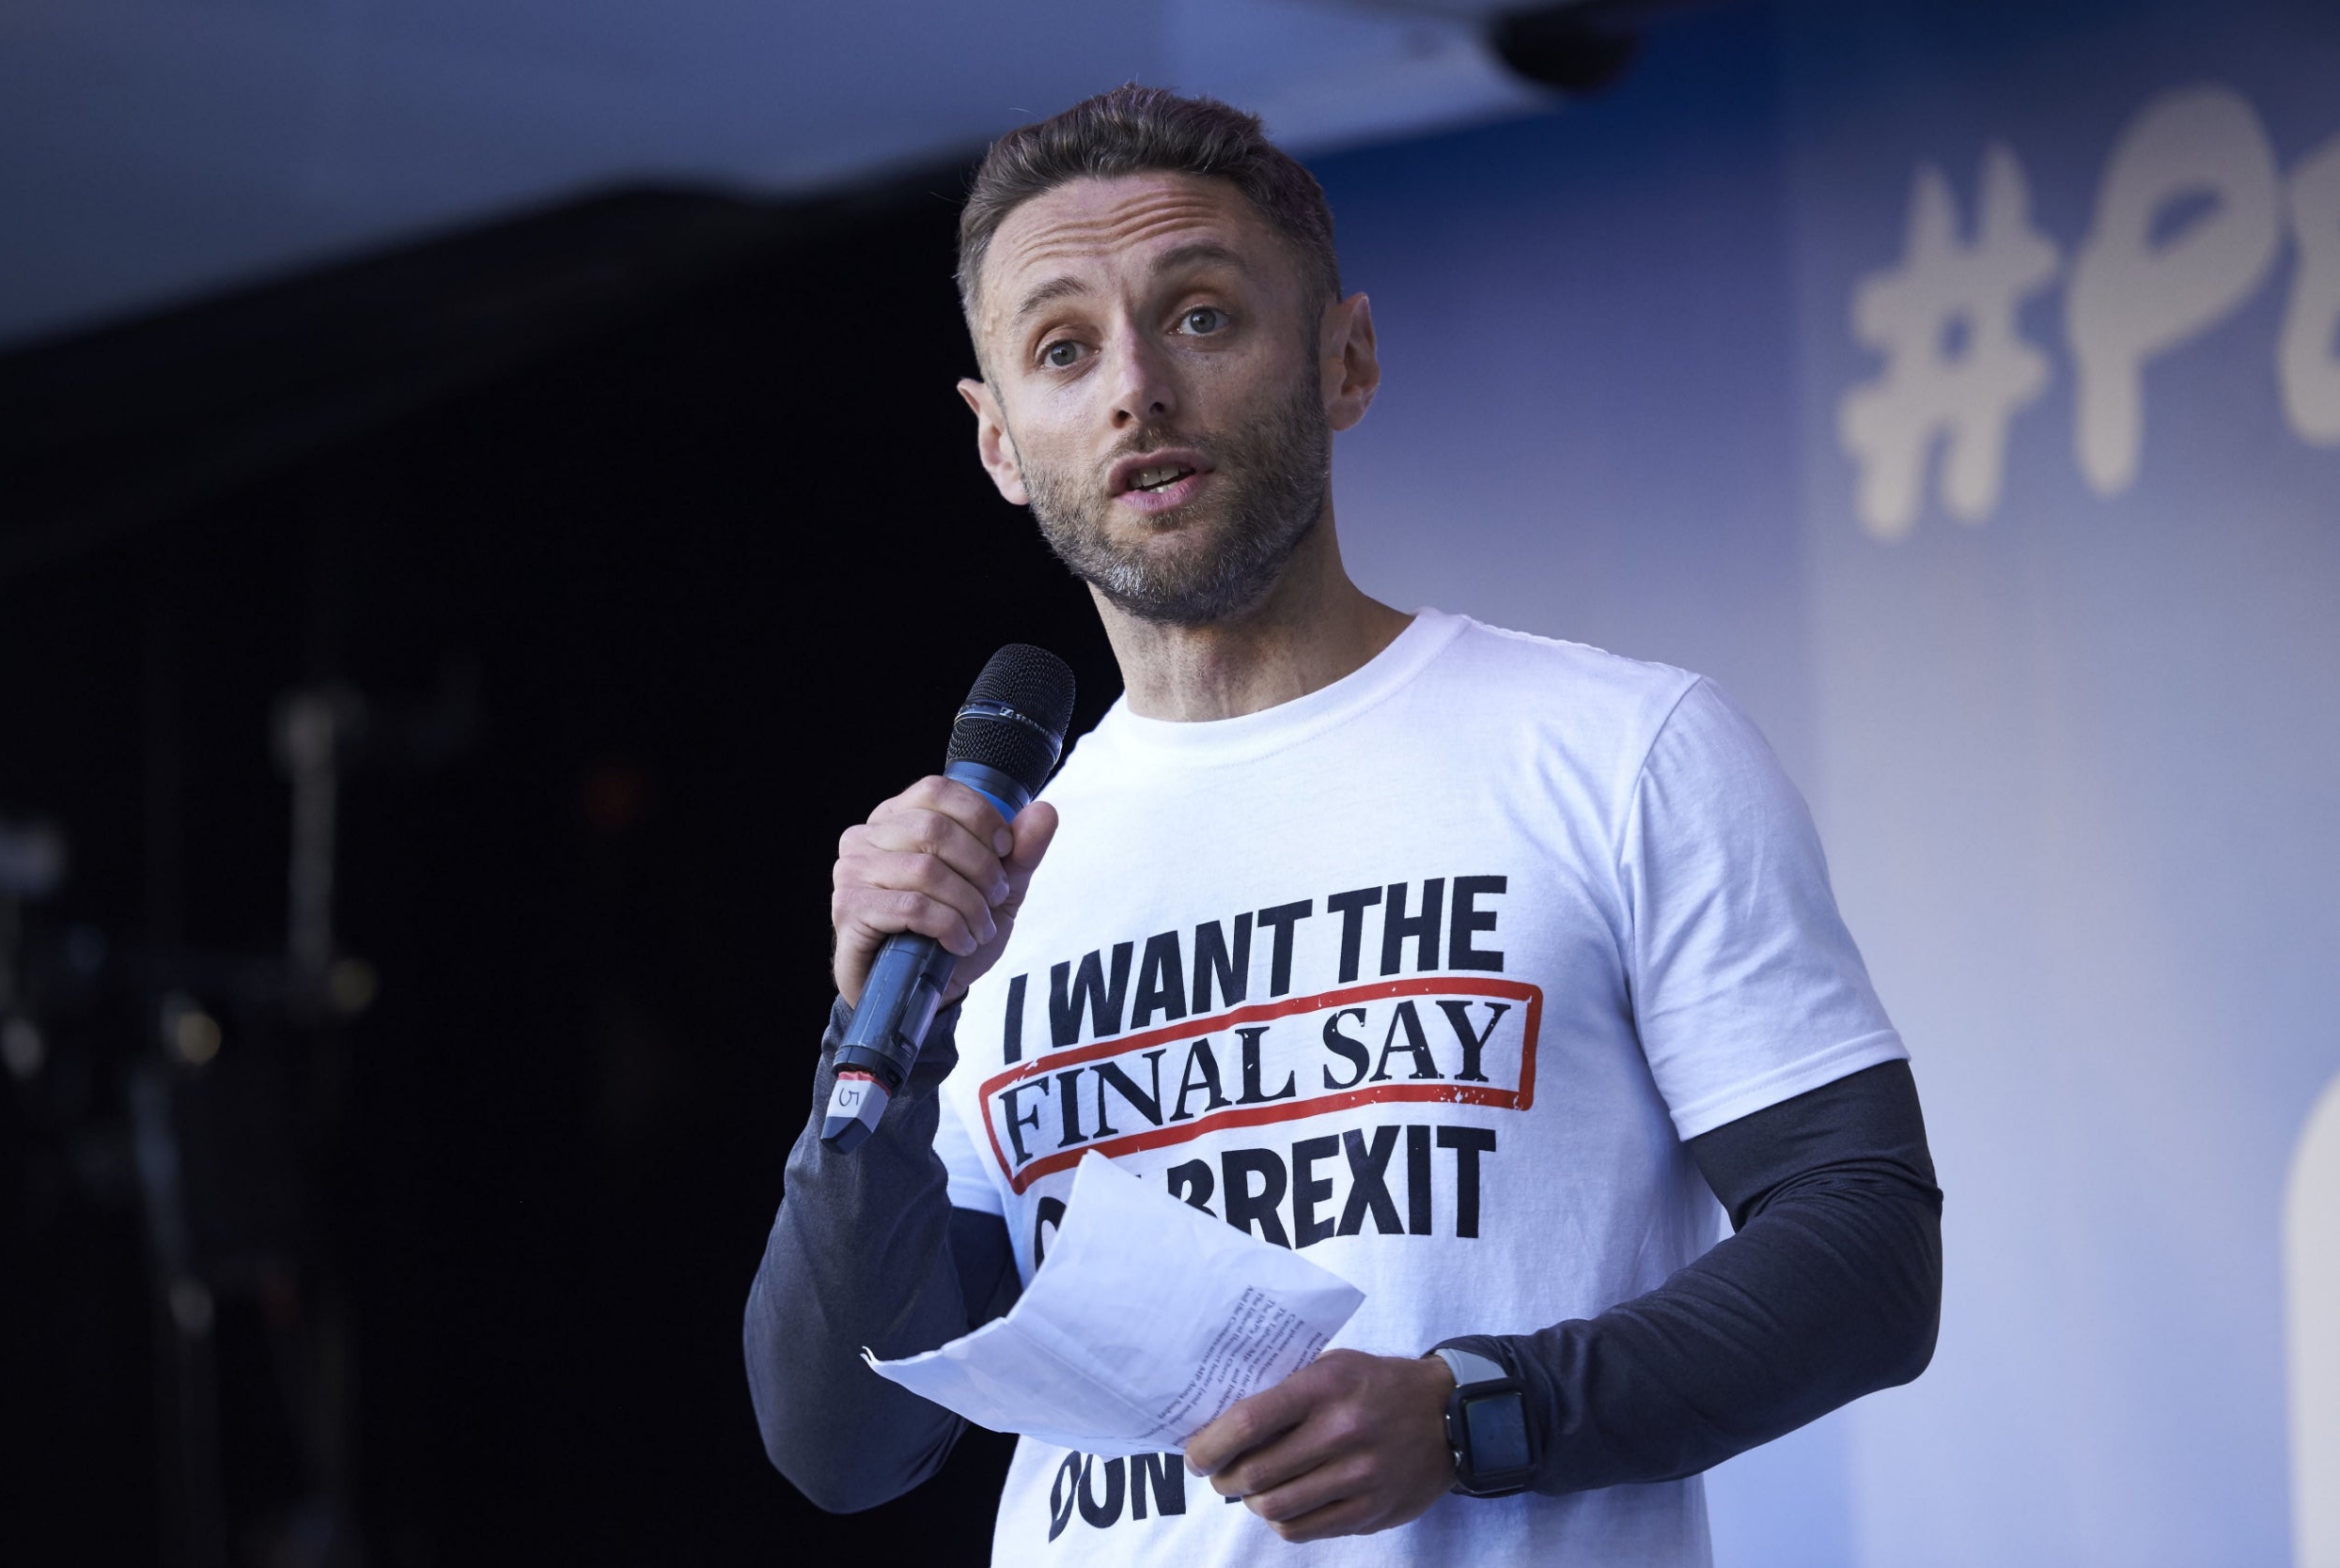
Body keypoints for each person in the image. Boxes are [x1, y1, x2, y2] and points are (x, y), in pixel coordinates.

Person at [745, 84, 1941, 1566]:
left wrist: (1471, 1414)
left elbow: (1869, 1249)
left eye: (1198, 316)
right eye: (1063, 349)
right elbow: (845, 1441)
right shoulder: (997, 881)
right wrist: (882, 1031)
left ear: (1345, 359)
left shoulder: (1618, 750)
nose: (1135, 390)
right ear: (999, 444)